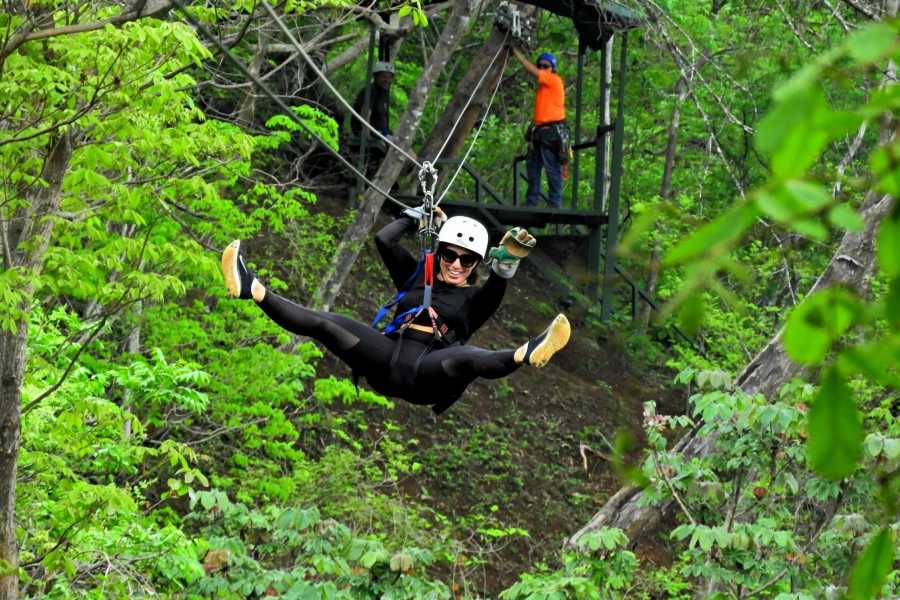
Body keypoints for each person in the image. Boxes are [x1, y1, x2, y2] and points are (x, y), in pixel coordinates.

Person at [220, 208, 571, 415]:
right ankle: (250, 287)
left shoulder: (475, 301)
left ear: (476, 264)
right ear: (440, 251)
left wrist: (506, 261)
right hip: (388, 358)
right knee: (326, 324)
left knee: (470, 357)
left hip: (431, 373)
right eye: (449, 255)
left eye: (467, 260)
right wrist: (414, 215)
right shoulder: (416, 277)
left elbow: (498, 281)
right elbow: (384, 240)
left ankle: (528, 352)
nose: (456, 264)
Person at [511, 47, 567, 209]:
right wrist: (531, 129)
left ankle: (554, 204)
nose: (542, 69)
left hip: (551, 132)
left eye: (546, 66)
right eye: (541, 66)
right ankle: (531, 202)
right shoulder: (543, 89)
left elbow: (533, 72)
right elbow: (541, 113)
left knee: (552, 168)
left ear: (552, 69)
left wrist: (518, 55)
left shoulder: (553, 80)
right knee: (533, 167)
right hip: (540, 132)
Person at [352, 61, 395, 138]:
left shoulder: (384, 93)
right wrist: (367, 135)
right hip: (370, 132)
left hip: (382, 132)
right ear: (376, 77)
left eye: (389, 77)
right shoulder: (370, 91)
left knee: (404, 144)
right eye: (384, 77)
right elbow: (365, 113)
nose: (387, 80)